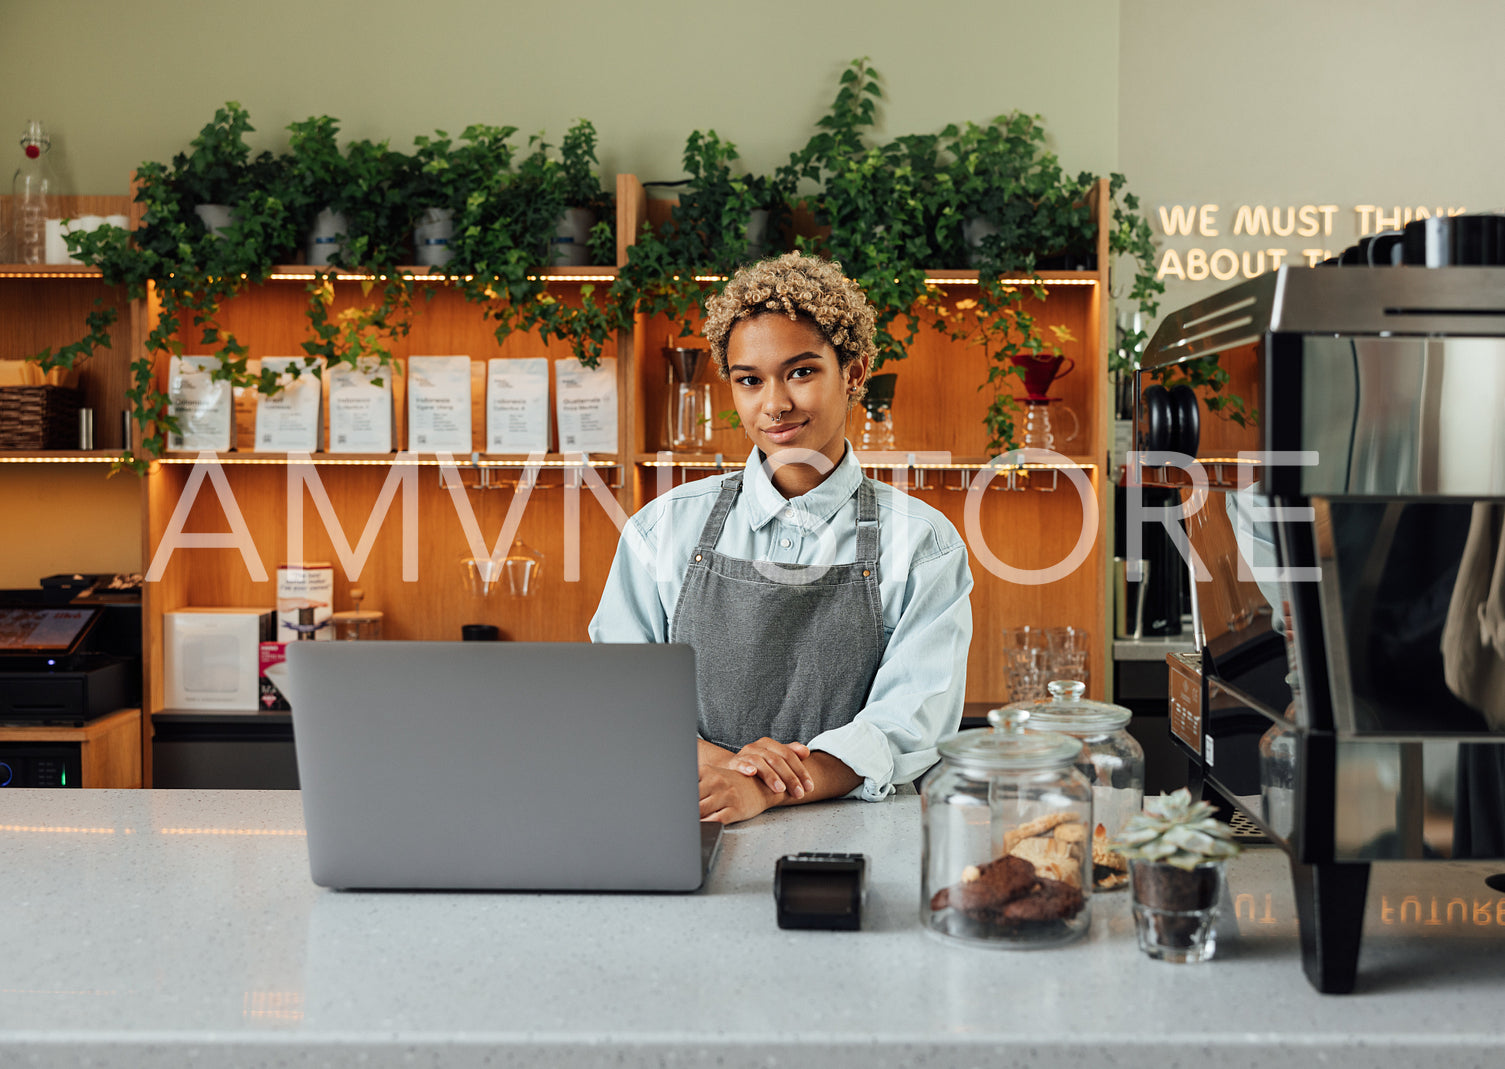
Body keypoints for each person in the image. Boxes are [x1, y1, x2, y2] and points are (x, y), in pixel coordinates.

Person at [589, 252, 973, 823]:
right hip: (693, 812)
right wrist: (731, 773)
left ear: (855, 372)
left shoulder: (923, 543)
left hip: (862, 836)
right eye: (749, 381)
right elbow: (619, 698)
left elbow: (911, 720)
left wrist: (768, 788)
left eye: (801, 372)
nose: (775, 404)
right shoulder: (662, 526)